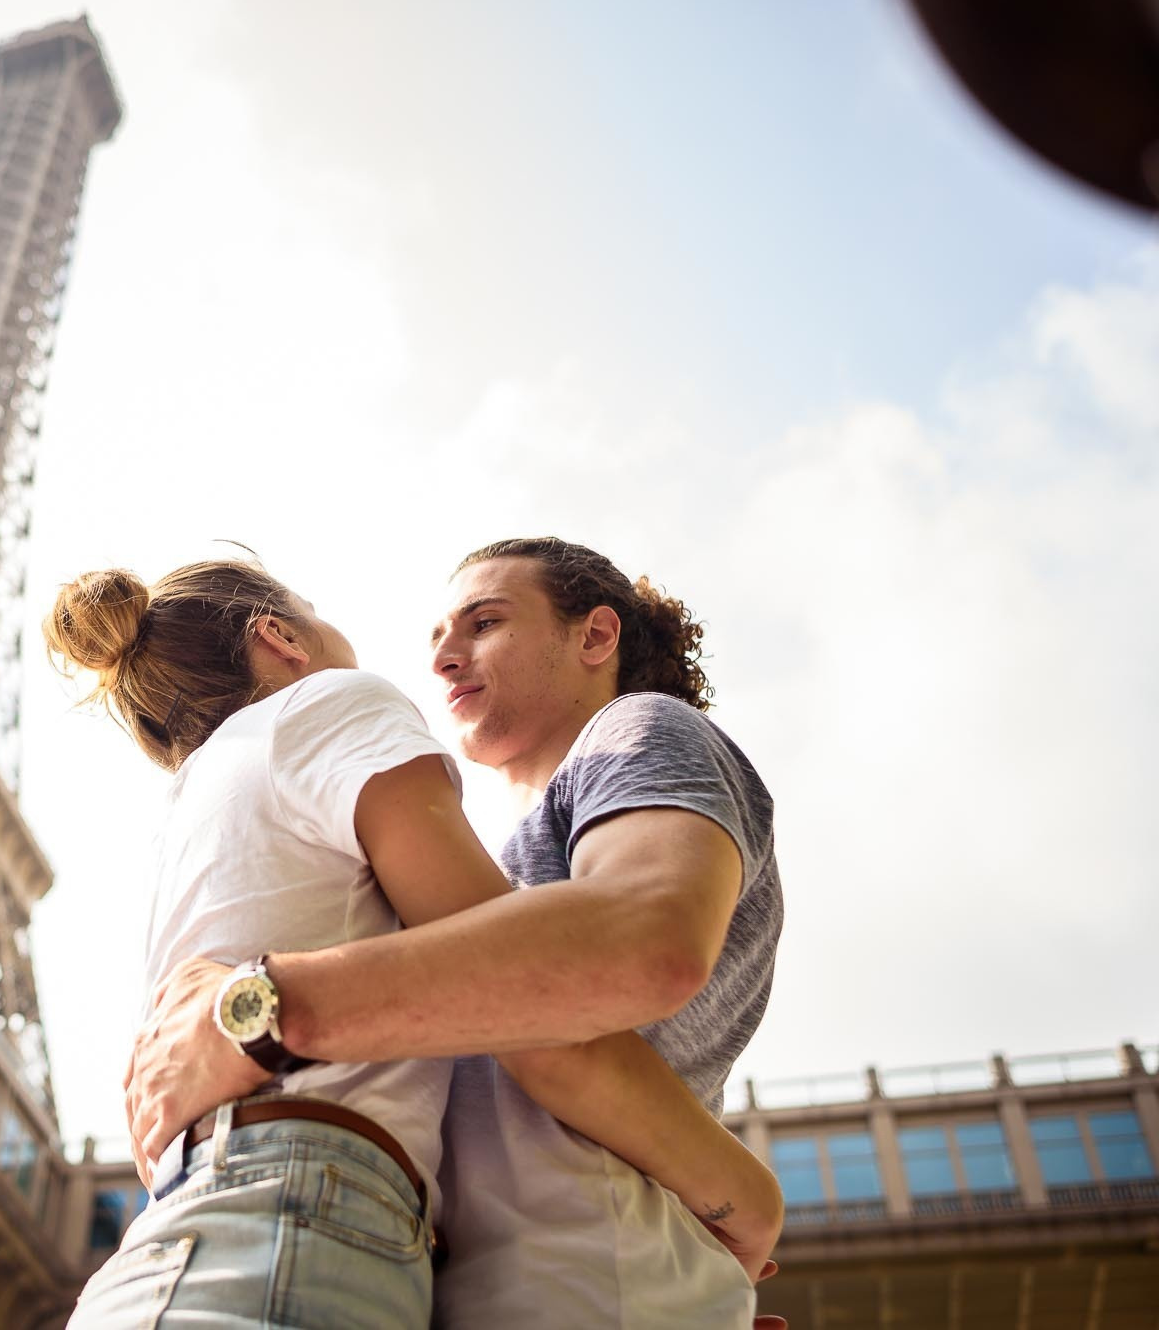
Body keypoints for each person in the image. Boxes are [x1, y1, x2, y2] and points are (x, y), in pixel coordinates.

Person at [48, 557, 780, 1328]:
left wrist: (256, 1010)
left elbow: (633, 949)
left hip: (594, 1279)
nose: (439, 657)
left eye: (486, 621)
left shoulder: (641, 730)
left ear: (597, 634)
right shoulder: (406, 852)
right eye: (437, 635)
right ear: (278, 637)